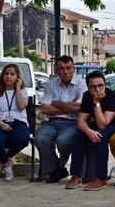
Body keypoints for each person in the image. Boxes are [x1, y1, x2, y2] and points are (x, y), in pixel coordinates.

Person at [65, 71, 115, 191]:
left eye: (101, 85)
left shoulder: (114, 97)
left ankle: (101, 178)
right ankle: (76, 175)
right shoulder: (86, 96)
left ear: (105, 85)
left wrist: (96, 102)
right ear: (88, 87)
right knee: (78, 136)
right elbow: (81, 121)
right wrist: (88, 131)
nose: (97, 89)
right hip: (100, 124)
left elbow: (103, 124)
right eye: (93, 86)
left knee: (100, 136)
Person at [34, 55, 87, 183]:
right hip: (52, 122)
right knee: (39, 139)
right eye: (61, 68)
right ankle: (58, 169)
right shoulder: (51, 83)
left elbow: (80, 107)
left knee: (62, 141)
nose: (65, 71)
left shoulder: (81, 83)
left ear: (73, 68)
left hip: (73, 123)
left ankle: (59, 167)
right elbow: (45, 108)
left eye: (68, 68)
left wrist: (56, 103)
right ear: (56, 70)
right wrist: (69, 106)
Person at [0, 64, 29, 182]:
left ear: (17, 77)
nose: (9, 76)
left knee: (23, 139)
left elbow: (21, 106)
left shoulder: (22, 91)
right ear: (2, 76)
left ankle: (3, 159)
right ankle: (7, 163)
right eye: (6, 74)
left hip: (19, 122)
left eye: (12, 74)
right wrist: (1, 124)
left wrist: (17, 88)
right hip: (2, 122)